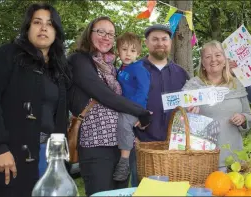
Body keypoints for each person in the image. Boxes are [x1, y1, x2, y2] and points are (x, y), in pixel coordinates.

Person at [0, 3, 71, 196]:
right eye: (37, 22)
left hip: (48, 156)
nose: (43, 27)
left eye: (50, 24)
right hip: (8, 154)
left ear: (56, 32)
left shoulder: (59, 68)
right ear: (28, 27)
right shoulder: (6, 56)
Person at [68, 16, 151, 196]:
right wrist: (140, 112)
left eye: (111, 34)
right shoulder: (79, 60)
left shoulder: (112, 67)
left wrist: (132, 124)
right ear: (89, 34)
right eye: (101, 32)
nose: (106, 37)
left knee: (120, 193)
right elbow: (103, 94)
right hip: (96, 144)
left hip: (119, 145)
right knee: (101, 192)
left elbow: (125, 97)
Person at [127, 24, 189, 186]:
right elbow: (122, 102)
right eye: (154, 39)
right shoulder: (133, 70)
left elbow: (190, 106)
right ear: (146, 43)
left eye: (164, 39)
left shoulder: (182, 74)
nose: (160, 43)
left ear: (170, 43)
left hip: (174, 148)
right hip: (142, 145)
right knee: (142, 190)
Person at [183, 40, 251, 171]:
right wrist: (189, 115)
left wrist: (243, 118)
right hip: (202, 158)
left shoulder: (236, 85)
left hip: (233, 158)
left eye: (218, 55)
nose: (213, 60)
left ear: (225, 60)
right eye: (208, 57)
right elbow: (180, 119)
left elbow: (249, 116)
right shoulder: (193, 86)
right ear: (203, 64)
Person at [113, 32, 150, 181]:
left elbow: (143, 90)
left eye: (133, 51)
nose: (128, 54)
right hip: (125, 106)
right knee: (121, 125)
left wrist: (134, 109)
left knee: (123, 122)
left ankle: (124, 161)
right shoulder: (121, 69)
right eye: (124, 49)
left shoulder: (139, 68)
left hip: (135, 108)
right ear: (118, 51)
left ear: (138, 53)